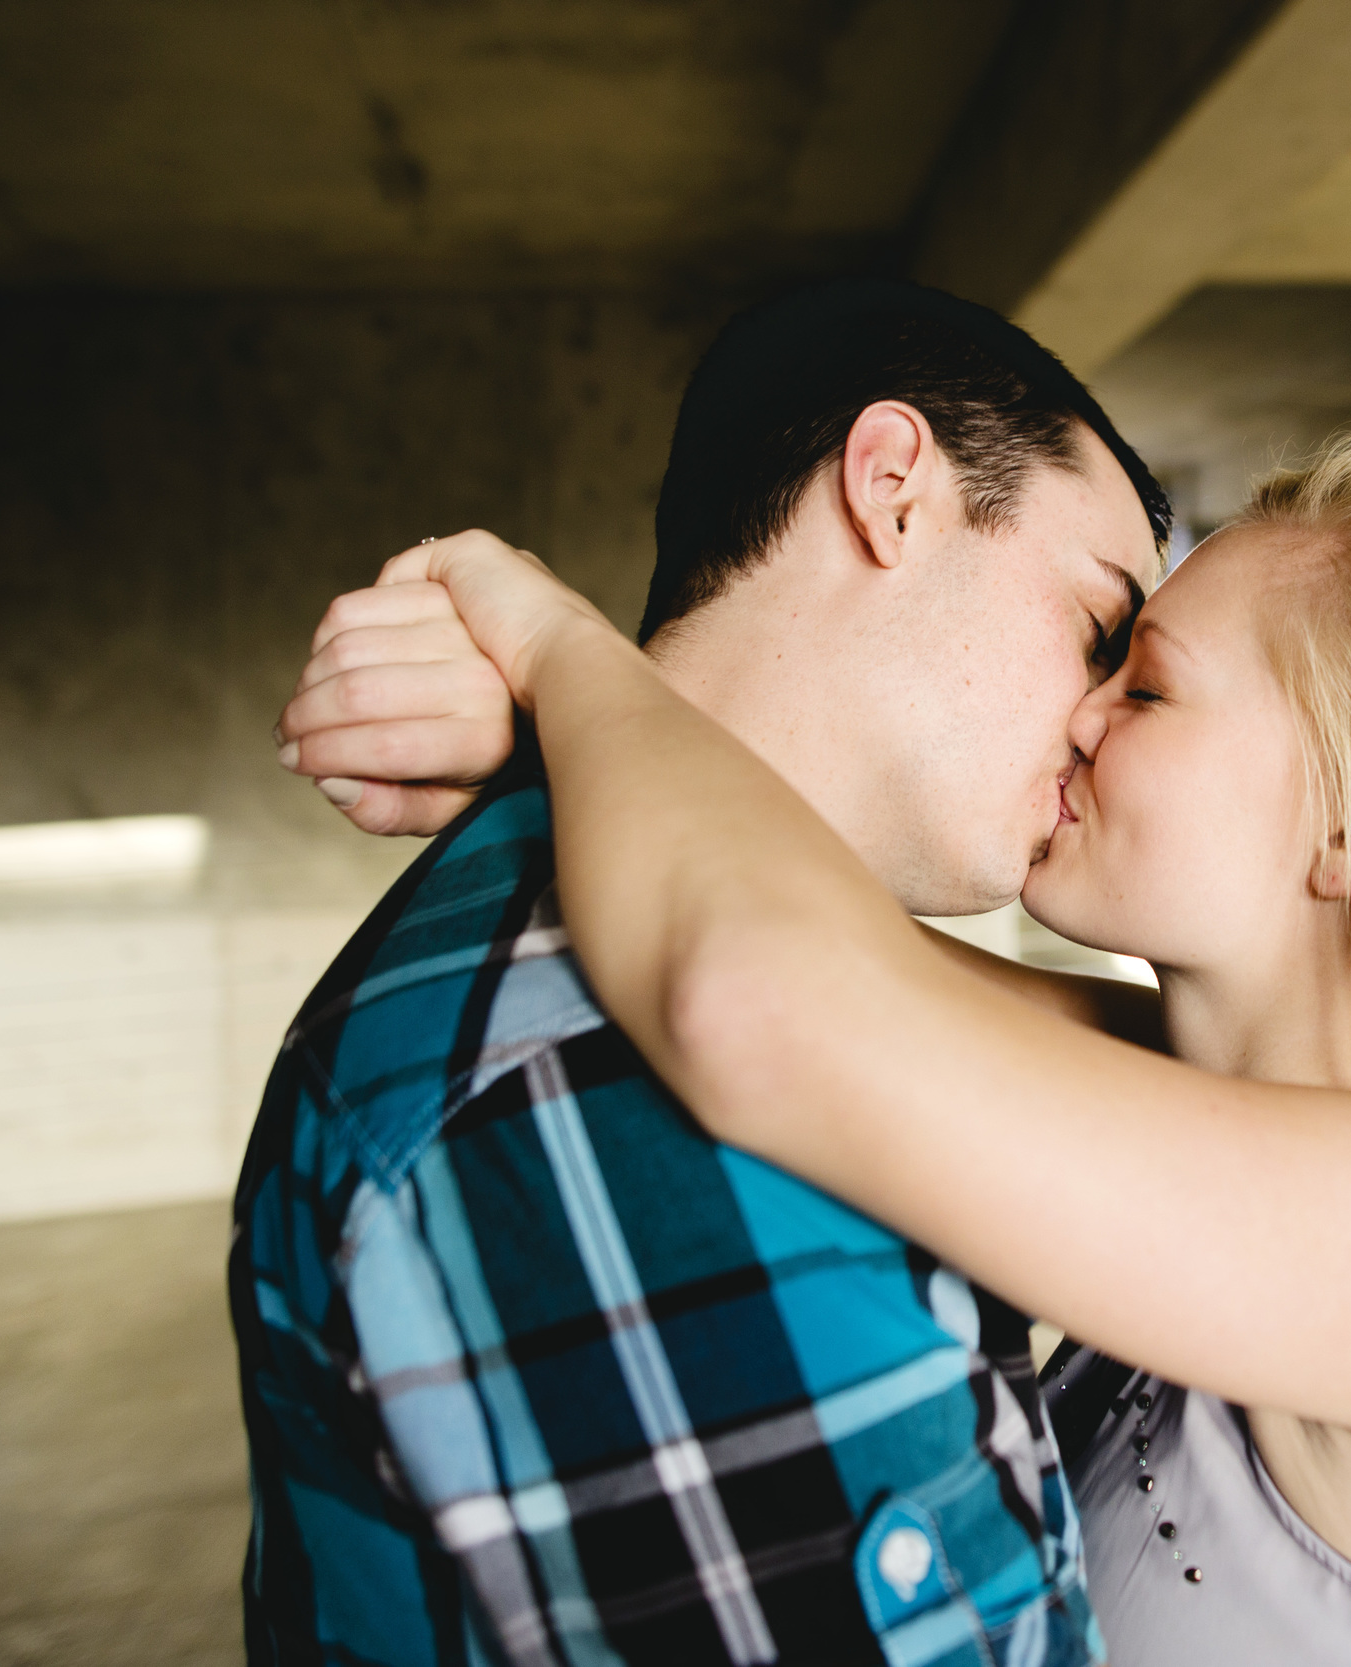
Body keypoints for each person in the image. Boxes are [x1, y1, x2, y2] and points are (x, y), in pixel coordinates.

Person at [281, 431, 1351, 1665]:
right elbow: (824, 937)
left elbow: (759, 992)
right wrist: (565, 752)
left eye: (1143, 683)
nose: (1076, 717)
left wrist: (553, 643)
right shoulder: (1200, 1090)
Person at [231, 279, 1173, 1666]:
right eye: (1101, 627)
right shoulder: (592, 1063)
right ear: (893, 488)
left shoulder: (742, 967)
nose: (1104, 721)